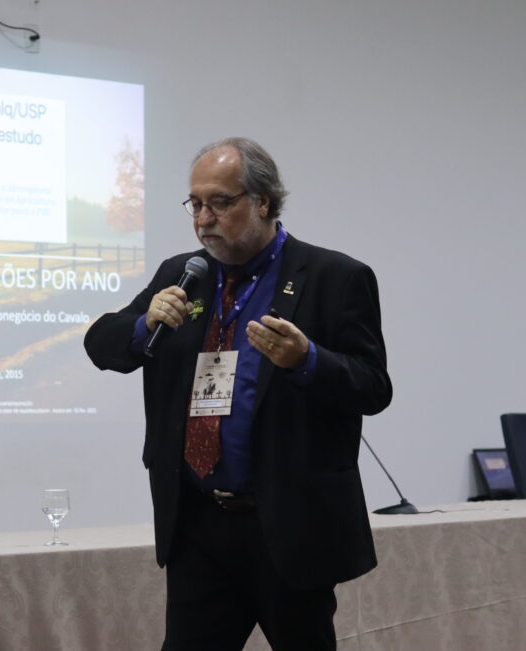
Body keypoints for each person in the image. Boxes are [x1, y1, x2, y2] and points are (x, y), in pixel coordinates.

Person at [84, 137, 392, 650]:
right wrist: (143, 324)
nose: (204, 219)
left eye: (220, 203)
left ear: (263, 202)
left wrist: (307, 359)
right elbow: (101, 343)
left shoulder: (334, 277)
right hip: (198, 524)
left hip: (290, 525)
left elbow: (374, 387)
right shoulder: (183, 274)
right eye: (195, 204)